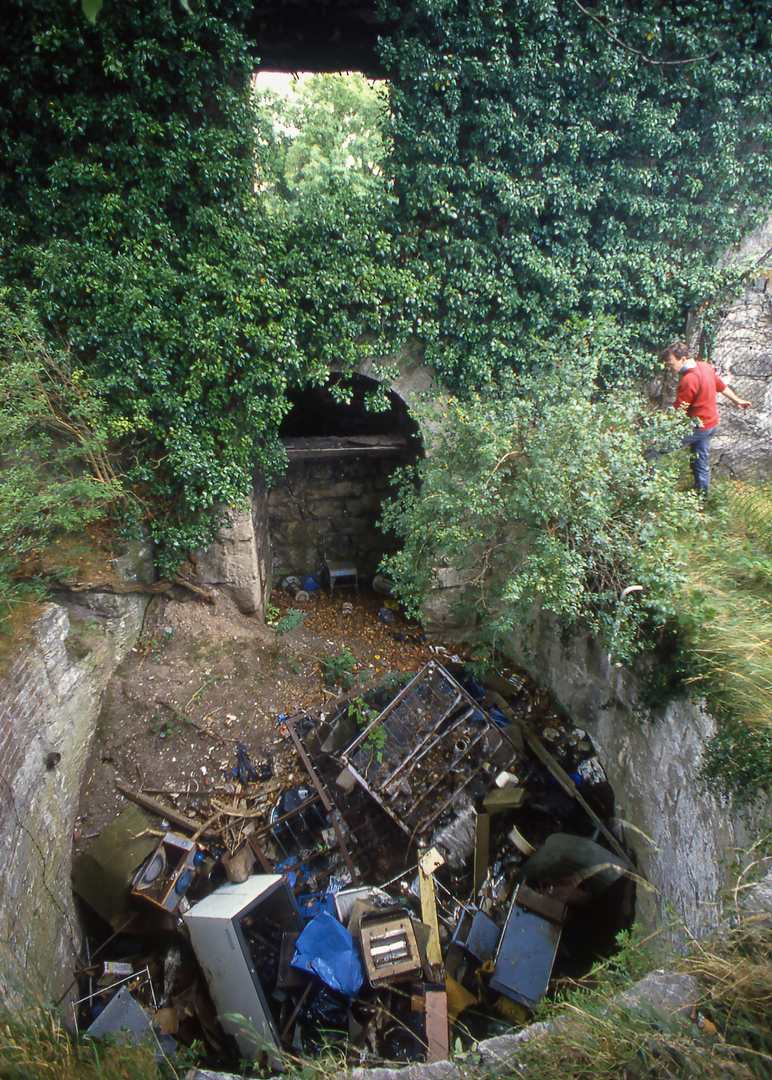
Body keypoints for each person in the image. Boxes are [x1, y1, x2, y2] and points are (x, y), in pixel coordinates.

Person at [660, 341, 751, 494]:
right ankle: (702, 498)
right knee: (700, 461)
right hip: (711, 424)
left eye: (670, 363)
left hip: (698, 427)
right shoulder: (705, 367)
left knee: (656, 449)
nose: (669, 367)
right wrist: (737, 400)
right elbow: (721, 386)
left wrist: (661, 425)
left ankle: (644, 484)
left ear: (682, 359)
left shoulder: (688, 380)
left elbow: (680, 409)